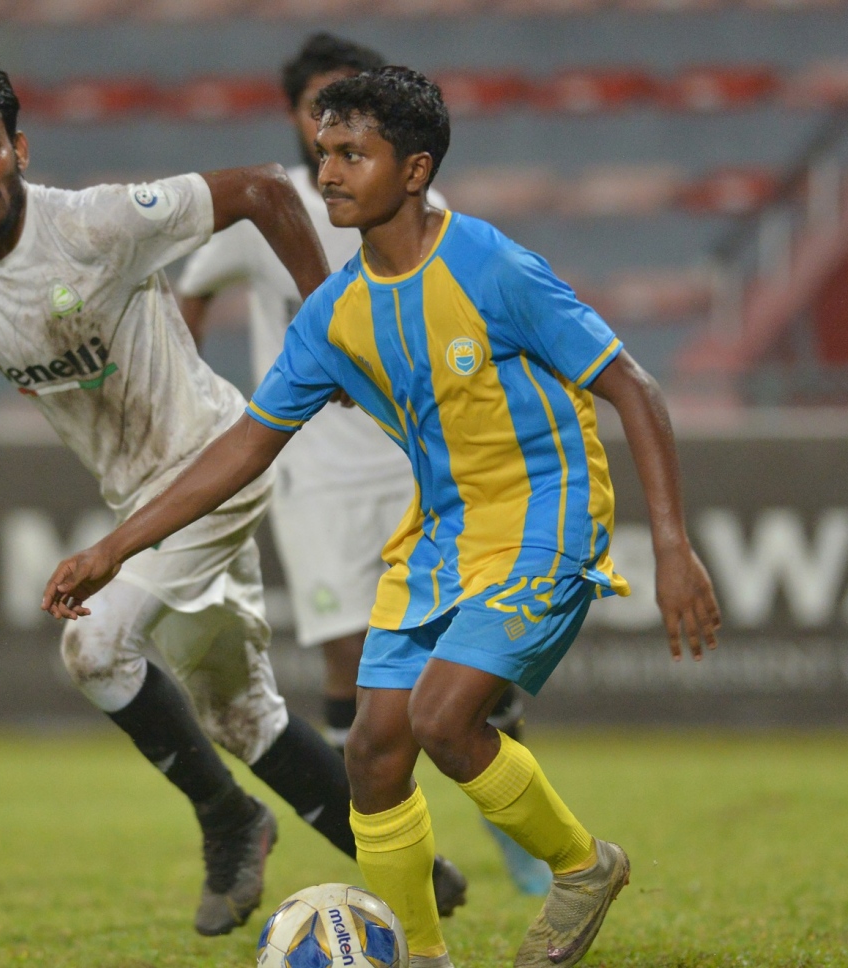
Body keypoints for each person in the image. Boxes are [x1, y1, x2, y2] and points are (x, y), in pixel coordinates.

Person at [42, 67, 722, 968]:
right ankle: (422, 957)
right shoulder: (333, 315)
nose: (327, 173)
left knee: (443, 720)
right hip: (443, 529)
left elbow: (633, 388)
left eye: (352, 154)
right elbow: (242, 448)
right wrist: (115, 550)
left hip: (545, 514)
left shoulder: (492, 267)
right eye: (323, 152)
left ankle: (581, 866)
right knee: (371, 753)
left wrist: (672, 546)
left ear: (414, 170)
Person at [0, 54, 464, 939]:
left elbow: (266, 189)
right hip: (139, 496)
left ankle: (229, 820)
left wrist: (325, 324)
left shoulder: (95, 223)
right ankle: (414, 868)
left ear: (19, 148)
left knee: (94, 645)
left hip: (216, 463)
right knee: (242, 717)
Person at [175, 32, 551, 897]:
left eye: (352, 105)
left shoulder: (416, 206)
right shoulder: (271, 209)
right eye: (321, 107)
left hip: (413, 467)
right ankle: (389, 847)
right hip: (312, 477)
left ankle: (514, 824)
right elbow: (192, 291)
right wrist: (198, 392)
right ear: (295, 115)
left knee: (468, 656)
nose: (334, 124)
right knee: (348, 660)